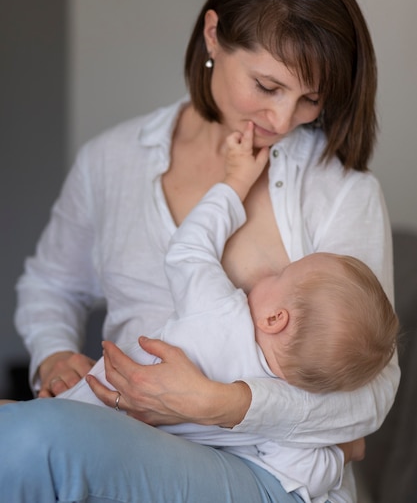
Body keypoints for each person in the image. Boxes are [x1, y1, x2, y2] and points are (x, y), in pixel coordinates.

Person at [0, 0, 400, 503]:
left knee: (28, 442)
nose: (283, 120)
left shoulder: (340, 192)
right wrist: (54, 354)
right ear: (213, 35)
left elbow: (369, 397)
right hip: (120, 443)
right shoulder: (112, 161)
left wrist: (219, 403)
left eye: (311, 99)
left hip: (268, 477)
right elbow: (50, 286)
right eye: (266, 86)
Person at [52, 122, 398, 503]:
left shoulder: (220, 312)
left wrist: (233, 184)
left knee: (26, 433)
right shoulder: (286, 412)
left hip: (89, 409)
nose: (268, 272)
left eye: (281, 273)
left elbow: (189, 250)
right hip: (149, 459)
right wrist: (339, 451)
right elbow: (305, 475)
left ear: (274, 319)